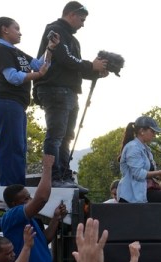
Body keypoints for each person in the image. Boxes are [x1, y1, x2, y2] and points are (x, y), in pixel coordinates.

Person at [35, 1, 108, 190]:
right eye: (82, 19)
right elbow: (65, 59)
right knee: (56, 135)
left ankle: (64, 176)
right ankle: (54, 177)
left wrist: (96, 71)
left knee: (66, 136)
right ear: (72, 14)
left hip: (68, 90)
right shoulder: (55, 29)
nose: (83, 24)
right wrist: (91, 66)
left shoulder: (73, 39)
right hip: (55, 89)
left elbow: (75, 68)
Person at [0, 159, 72, 262]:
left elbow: (44, 239)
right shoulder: (11, 217)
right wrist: (47, 168)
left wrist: (55, 219)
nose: (30, 200)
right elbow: (41, 198)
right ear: (14, 204)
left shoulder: (29, 221)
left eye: (29, 197)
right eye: (25, 199)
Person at [0, 17, 57, 186]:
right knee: (11, 146)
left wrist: (50, 47)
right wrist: (38, 75)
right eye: (17, 28)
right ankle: (8, 188)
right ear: (5, 30)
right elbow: (12, 77)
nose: (20, 33)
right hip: (6, 101)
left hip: (16, 104)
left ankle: (17, 187)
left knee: (19, 147)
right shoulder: (0, 50)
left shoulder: (16, 52)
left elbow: (39, 64)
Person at [116, 116, 161, 203]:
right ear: (142, 131)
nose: (154, 135)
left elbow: (148, 172)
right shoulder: (133, 147)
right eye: (152, 131)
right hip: (132, 196)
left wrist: (159, 176)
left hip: (142, 192)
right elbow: (138, 174)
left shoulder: (145, 148)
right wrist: (159, 172)